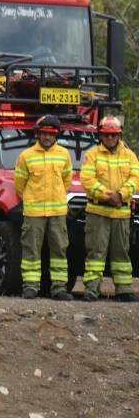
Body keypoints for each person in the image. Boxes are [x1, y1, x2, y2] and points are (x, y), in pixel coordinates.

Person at [76, 116, 136, 302]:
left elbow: (135, 179)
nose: (110, 138)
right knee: (95, 252)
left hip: (121, 213)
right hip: (98, 212)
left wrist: (122, 194)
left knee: (121, 253)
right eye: (106, 135)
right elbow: (87, 180)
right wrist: (109, 196)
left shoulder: (129, 155)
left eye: (113, 135)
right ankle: (92, 290)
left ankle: (124, 290)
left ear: (119, 135)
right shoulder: (92, 155)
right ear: (100, 135)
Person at [14, 115, 74, 300]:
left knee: (59, 250)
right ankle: (30, 287)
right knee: (31, 249)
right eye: (44, 133)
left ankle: (59, 288)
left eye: (51, 134)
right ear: (38, 134)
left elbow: (67, 180)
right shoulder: (26, 156)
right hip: (34, 213)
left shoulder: (64, 154)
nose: (47, 137)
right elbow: (19, 185)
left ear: (56, 135)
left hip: (57, 212)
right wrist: (32, 200)